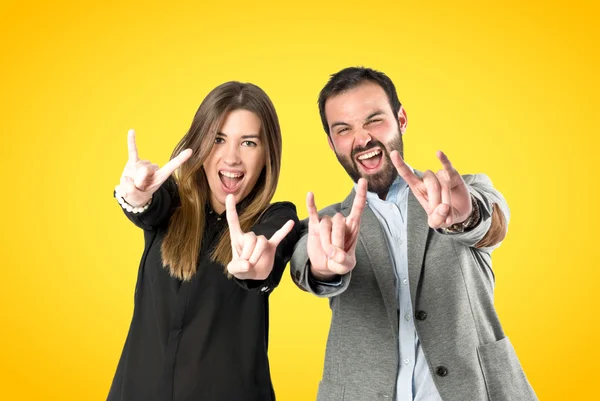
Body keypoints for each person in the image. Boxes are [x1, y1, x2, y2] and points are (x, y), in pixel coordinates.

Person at [290, 67, 538, 401]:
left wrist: (464, 218)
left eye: (374, 119)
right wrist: (324, 268)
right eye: (343, 129)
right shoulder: (327, 224)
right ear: (332, 142)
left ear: (401, 119)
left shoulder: (461, 193)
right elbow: (307, 260)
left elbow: (492, 225)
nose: (362, 139)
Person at [108, 81, 299, 401]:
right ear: (199, 143)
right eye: (218, 139)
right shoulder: (170, 204)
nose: (232, 157)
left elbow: (272, 249)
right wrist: (136, 196)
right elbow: (149, 206)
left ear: (267, 155)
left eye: (248, 142)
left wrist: (258, 263)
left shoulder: (276, 219)